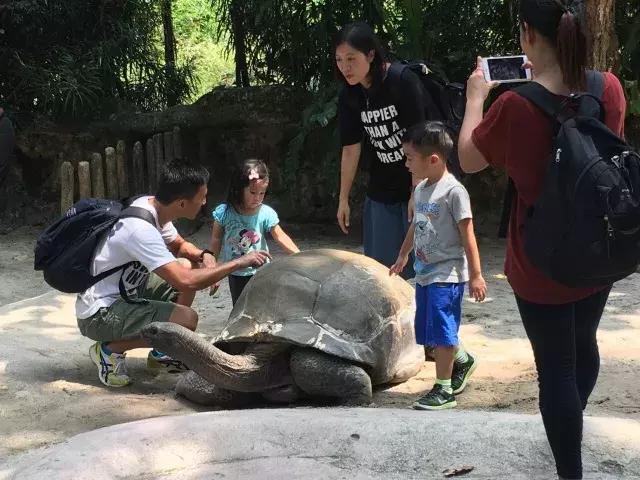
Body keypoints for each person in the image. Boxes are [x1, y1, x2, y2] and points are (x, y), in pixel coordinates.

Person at [457, 0, 626, 477]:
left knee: (556, 368)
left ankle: (568, 462)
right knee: (582, 343)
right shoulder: (607, 87)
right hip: (598, 248)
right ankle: (571, 413)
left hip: (541, 259)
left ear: (528, 34)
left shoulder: (514, 105)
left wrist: (475, 98)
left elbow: (468, 159)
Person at [76, 159, 271, 387]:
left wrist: (203, 256)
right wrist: (237, 263)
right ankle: (108, 350)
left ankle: (161, 351)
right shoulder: (140, 230)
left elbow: (179, 245)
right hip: (99, 314)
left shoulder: (152, 207)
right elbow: (185, 281)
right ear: (181, 203)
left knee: (188, 264)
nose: (205, 202)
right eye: (202, 197)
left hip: (125, 292)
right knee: (187, 320)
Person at [390, 121, 486, 410]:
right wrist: (403, 255)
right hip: (424, 272)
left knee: (444, 330)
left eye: (410, 158)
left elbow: (468, 234)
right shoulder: (420, 191)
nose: (405, 163)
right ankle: (463, 360)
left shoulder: (453, 192)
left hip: (448, 273)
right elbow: (415, 225)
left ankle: (444, 390)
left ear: (432, 160)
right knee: (429, 330)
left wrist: (477, 276)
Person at [335, 21, 433, 278]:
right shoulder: (349, 95)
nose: (345, 67)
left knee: (423, 270)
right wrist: (343, 199)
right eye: (339, 60)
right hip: (381, 190)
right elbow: (350, 147)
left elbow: (419, 138)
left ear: (370, 54)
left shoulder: (401, 81)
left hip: (419, 182)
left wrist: (417, 191)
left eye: (351, 59)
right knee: (381, 271)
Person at [208, 158, 299, 305]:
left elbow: (280, 236)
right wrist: (213, 272)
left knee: (265, 306)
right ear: (239, 188)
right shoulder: (224, 212)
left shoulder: (266, 213)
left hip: (262, 271)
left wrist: (301, 256)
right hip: (236, 272)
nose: (258, 198)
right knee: (240, 307)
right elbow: (216, 240)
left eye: (262, 193)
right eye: (252, 192)